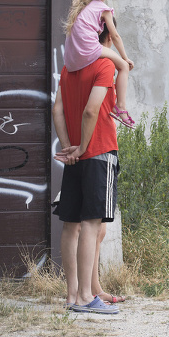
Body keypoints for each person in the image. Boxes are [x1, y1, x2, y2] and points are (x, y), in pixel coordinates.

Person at [52, 21, 123, 314]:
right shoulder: (104, 64)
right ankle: (86, 297)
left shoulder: (69, 68)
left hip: (75, 156)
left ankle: (73, 296)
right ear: (106, 36)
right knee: (93, 225)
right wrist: (82, 147)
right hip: (99, 152)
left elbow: (57, 109)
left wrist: (69, 147)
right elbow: (92, 109)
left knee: (72, 225)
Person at [63, 0, 135, 127]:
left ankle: (120, 106)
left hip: (72, 57)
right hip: (88, 50)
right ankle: (120, 106)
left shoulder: (81, 6)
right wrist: (125, 57)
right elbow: (114, 36)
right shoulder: (103, 9)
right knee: (123, 67)